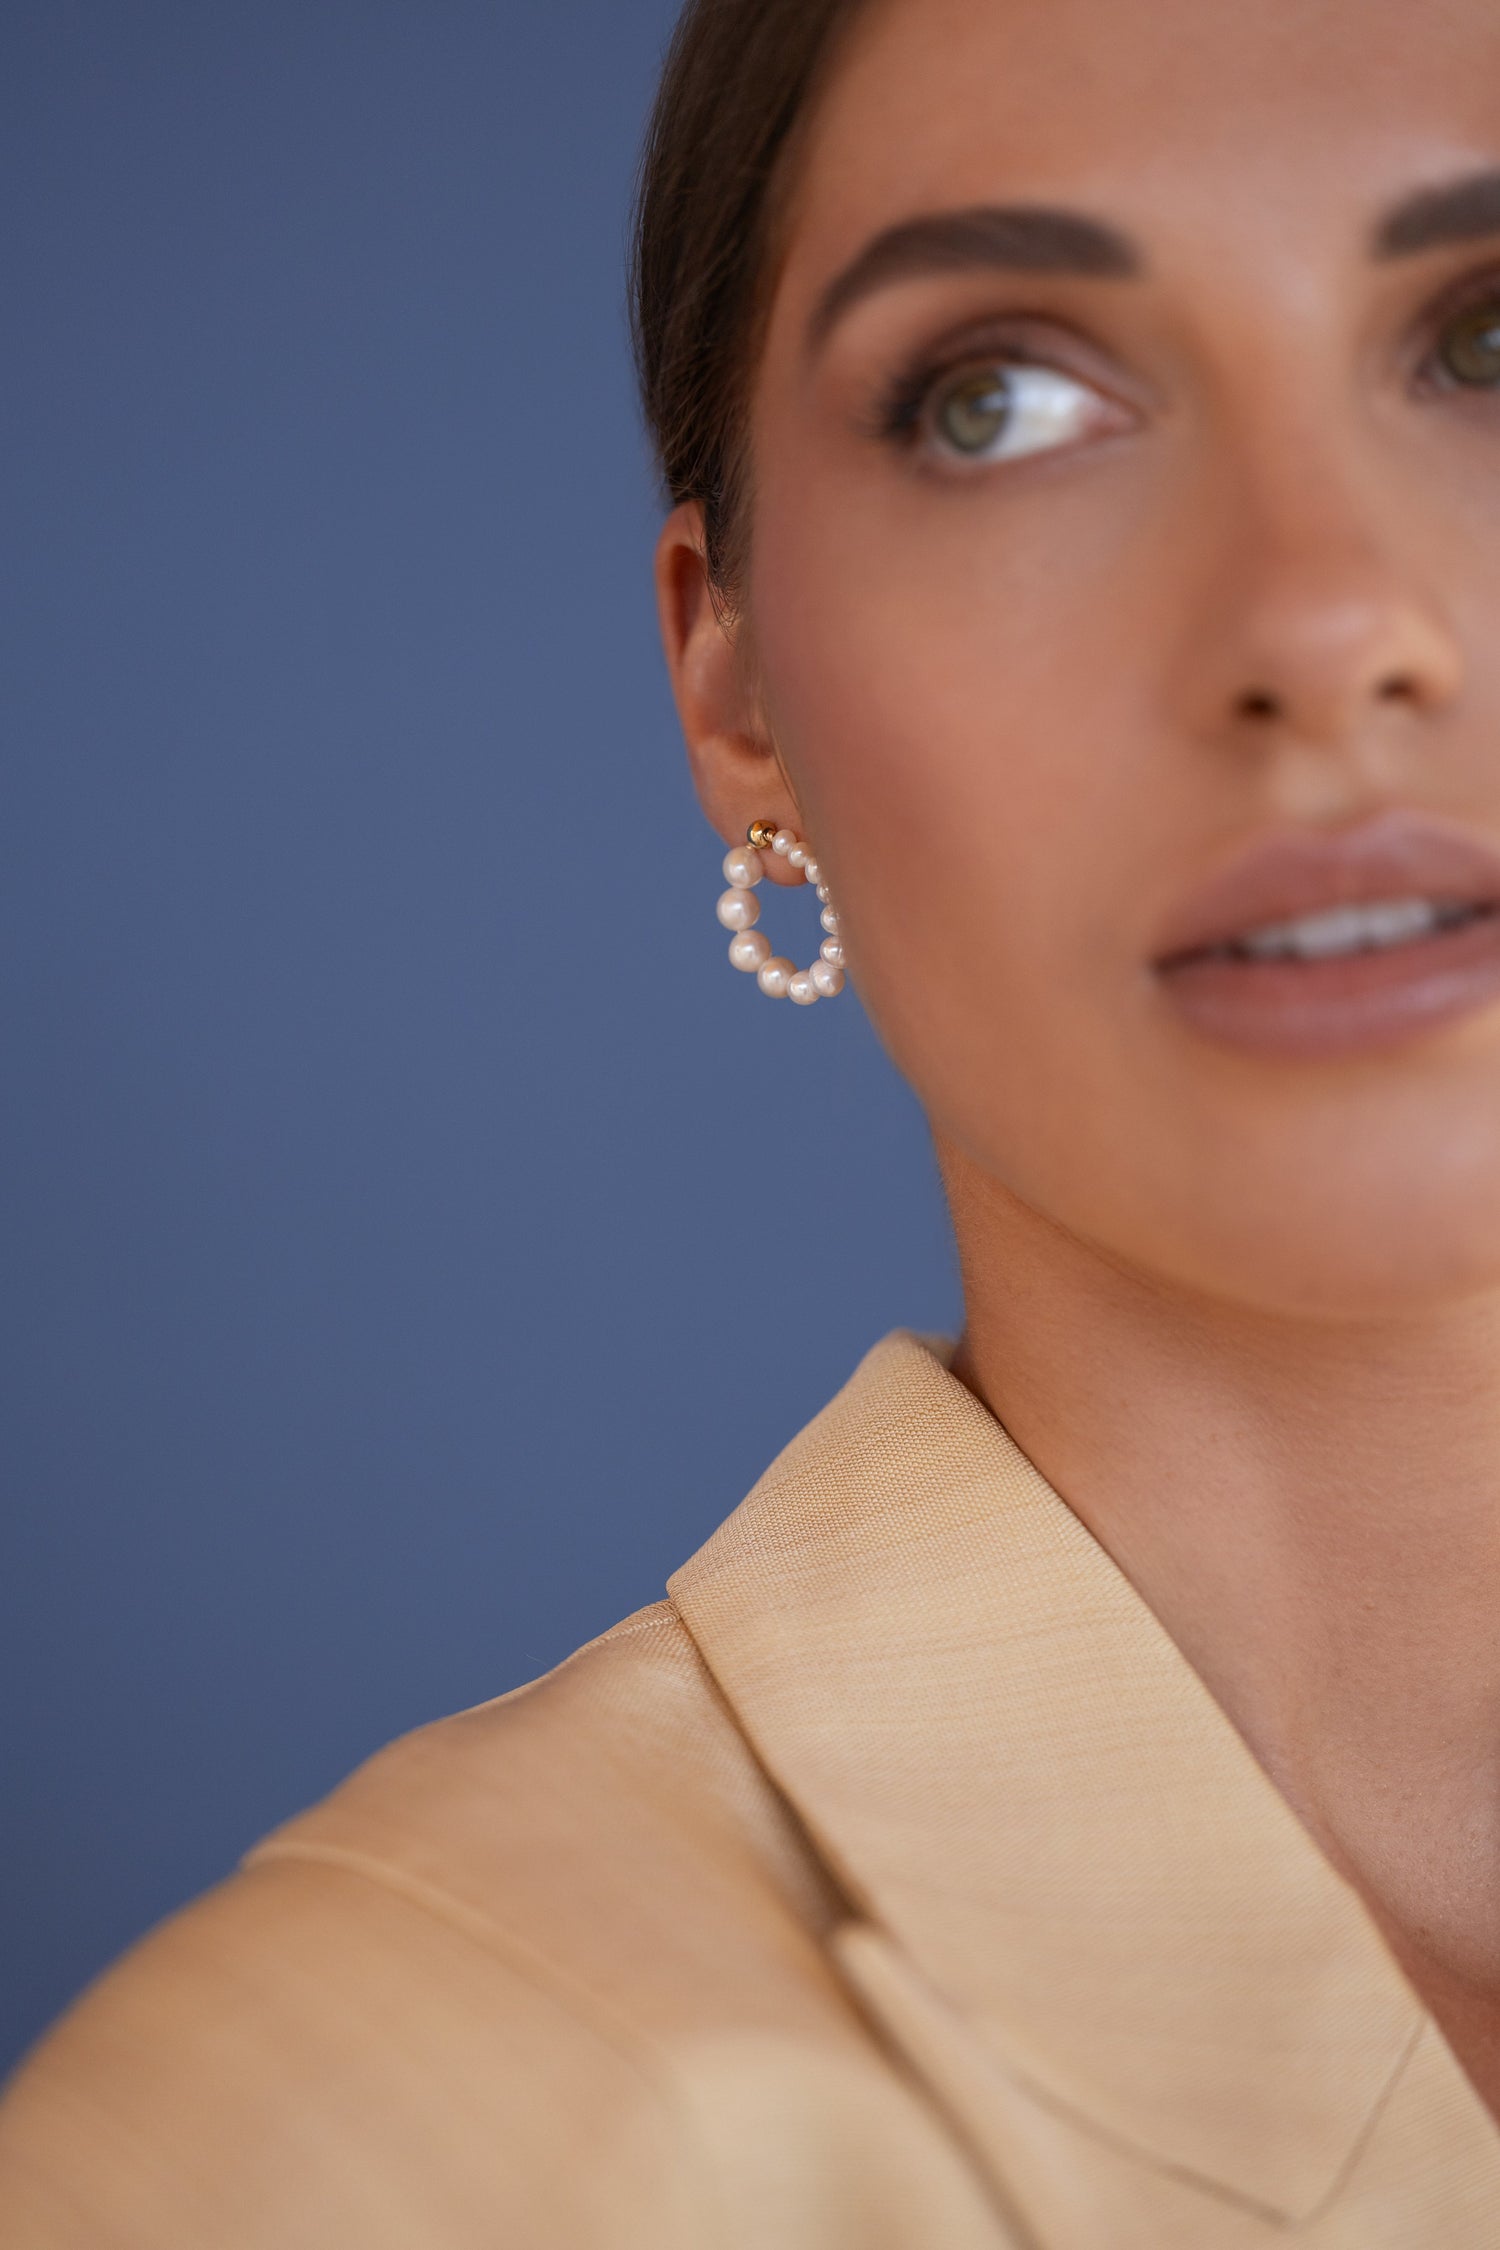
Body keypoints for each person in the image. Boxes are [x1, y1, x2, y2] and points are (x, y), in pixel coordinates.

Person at [5, 0, 1500, 2238]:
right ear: (737, 695)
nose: (1326, 621)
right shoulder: (354, 2162)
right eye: (1000, 401)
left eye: (1489, 346)